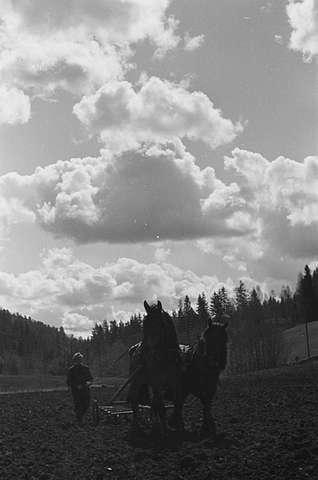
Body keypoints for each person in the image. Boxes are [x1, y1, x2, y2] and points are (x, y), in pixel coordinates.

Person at [67, 352, 93, 425]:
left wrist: (89, 383)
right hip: (76, 391)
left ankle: (79, 416)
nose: (79, 361)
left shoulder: (86, 368)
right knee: (78, 405)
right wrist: (76, 386)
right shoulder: (71, 370)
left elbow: (90, 379)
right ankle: (79, 420)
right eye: (77, 360)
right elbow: (69, 381)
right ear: (74, 360)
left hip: (85, 390)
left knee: (86, 405)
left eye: (80, 359)